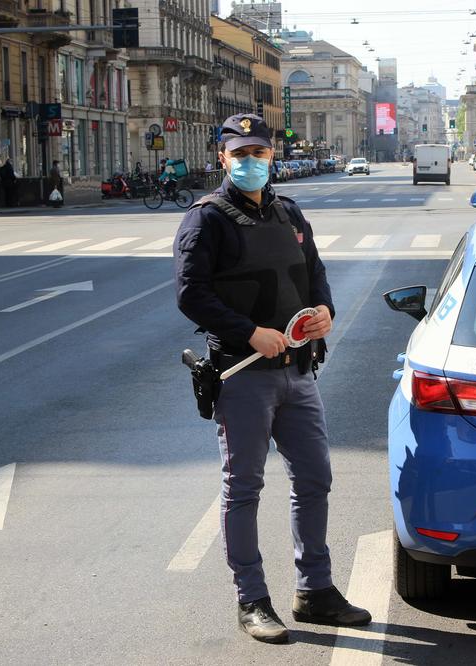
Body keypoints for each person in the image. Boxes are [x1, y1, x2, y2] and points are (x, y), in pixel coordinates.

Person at [174, 113, 370, 644]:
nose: (250, 162)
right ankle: (252, 600)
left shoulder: (287, 210)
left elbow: (314, 272)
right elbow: (191, 295)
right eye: (240, 154)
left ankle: (316, 590)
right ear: (223, 158)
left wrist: (324, 309)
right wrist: (249, 332)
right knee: (244, 489)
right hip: (242, 374)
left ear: (270, 157)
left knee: (314, 479)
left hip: (299, 372)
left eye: (258, 153)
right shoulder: (205, 219)